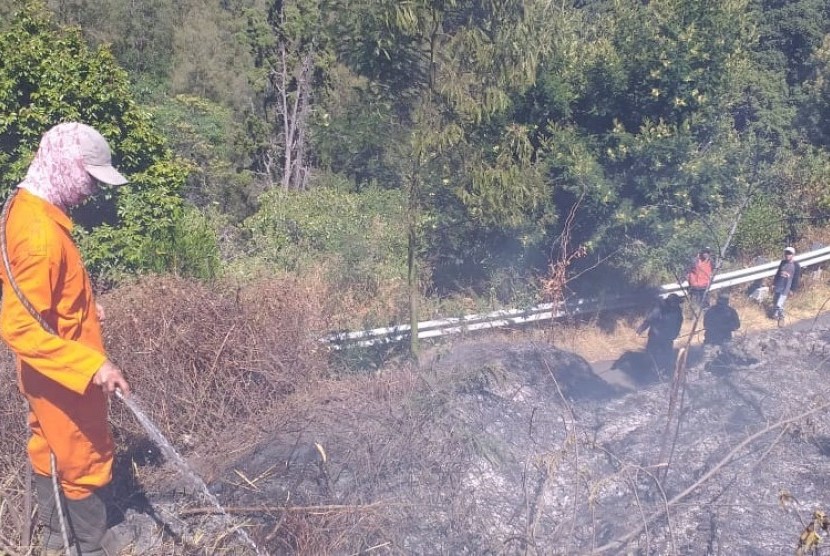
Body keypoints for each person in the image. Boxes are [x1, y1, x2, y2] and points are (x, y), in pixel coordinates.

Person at [0, 123, 131, 555]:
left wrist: (82, 305)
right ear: (66, 165)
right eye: (89, 177)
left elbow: (30, 288)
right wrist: (92, 365)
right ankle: (94, 547)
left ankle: (58, 542)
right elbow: (19, 325)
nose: (91, 189)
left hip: (47, 370)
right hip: (64, 374)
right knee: (83, 455)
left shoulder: (26, 206)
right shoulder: (39, 235)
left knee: (49, 446)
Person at [636, 293, 684, 371]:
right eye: (674, 302)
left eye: (676, 303)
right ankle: (646, 370)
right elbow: (649, 320)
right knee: (651, 354)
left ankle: (665, 370)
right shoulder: (660, 309)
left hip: (668, 337)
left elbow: (679, 322)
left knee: (667, 354)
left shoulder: (678, 310)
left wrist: (675, 333)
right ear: (670, 302)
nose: (675, 304)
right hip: (655, 335)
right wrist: (640, 330)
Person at [771, 246, 801, 320]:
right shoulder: (783, 262)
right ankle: (776, 315)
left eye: (789, 253)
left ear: (793, 255)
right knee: (775, 301)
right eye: (786, 253)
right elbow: (778, 273)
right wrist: (774, 283)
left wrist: (792, 290)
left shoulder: (796, 265)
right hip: (779, 285)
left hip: (786, 287)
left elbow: (796, 279)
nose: (787, 255)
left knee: (779, 303)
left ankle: (781, 316)